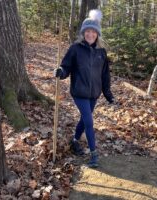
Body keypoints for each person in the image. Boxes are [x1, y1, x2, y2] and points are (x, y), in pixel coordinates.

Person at [54, 9, 114, 168]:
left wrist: (108, 94)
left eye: (93, 32)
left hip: (94, 93)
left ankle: (74, 141)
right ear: (83, 33)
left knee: (83, 119)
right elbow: (66, 66)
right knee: (88, 121)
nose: (90, 34)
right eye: (87, 31)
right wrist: (61, 72)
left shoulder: (102, 52)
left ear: (97, 34)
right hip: (79, 92)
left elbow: (105, 75)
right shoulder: (75, 48)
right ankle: (94, 154)